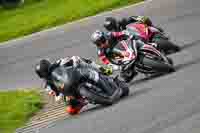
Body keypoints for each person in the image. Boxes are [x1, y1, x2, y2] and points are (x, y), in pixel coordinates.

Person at [35, 56, 124, 115]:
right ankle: (83, 100)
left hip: (75, 76)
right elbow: (56, 97)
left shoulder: (58, 63)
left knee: (79, 60)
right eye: (43, 74)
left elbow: (72, 59)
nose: (46, 74)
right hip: (68, 91)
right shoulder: (47, 85)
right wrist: (60, 96)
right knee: (71, 111)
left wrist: (74, 62)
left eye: (45, 71)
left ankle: (102, 70)